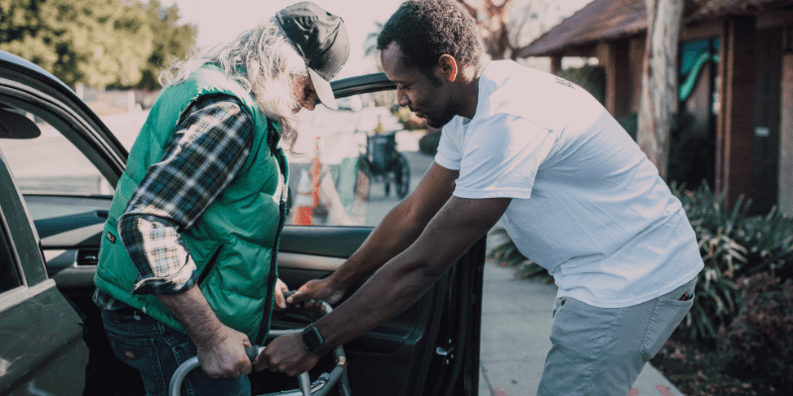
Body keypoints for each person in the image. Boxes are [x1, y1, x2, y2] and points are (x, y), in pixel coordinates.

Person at [256, 1, 704, 395]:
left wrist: (315, 340)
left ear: (448, 68)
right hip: (603, 273)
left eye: (406, 84)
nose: (400, 98)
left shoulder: (509, 119)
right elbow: (414, 213)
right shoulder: (470, 109)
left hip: (633, 280)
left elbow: (425, 263)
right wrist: (338, 281)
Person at [92, 2, 349, 395]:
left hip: (159, 312)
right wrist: (211, 336)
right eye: (309, 87)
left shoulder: (222, 90)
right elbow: (148, 223)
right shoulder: (231, 114)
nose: (310, 103)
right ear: (283, 64)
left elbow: (216, 216)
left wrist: (256, 280)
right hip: (170, 325)